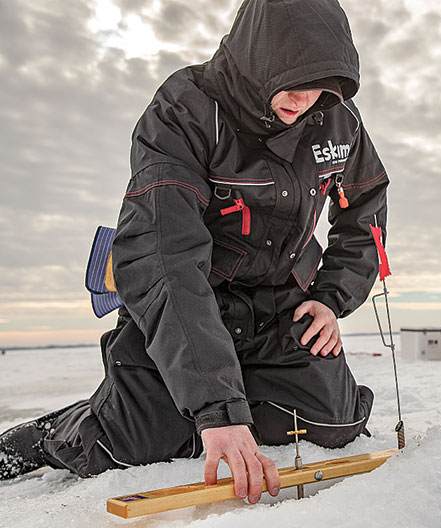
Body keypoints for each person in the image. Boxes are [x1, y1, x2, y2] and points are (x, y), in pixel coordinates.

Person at [0, 0, 388, 505]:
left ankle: (226, 395)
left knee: (331, 424)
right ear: (258, 55)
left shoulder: (336, 121)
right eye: (292, 80)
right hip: (194, 303)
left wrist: (333, 297)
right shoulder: (183, 110)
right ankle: (47, 435)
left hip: (277, 307)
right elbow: (165, 259)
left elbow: (366, 205)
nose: (305, 99)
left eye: (320, 86)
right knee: (133, 443)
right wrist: (219, 411)